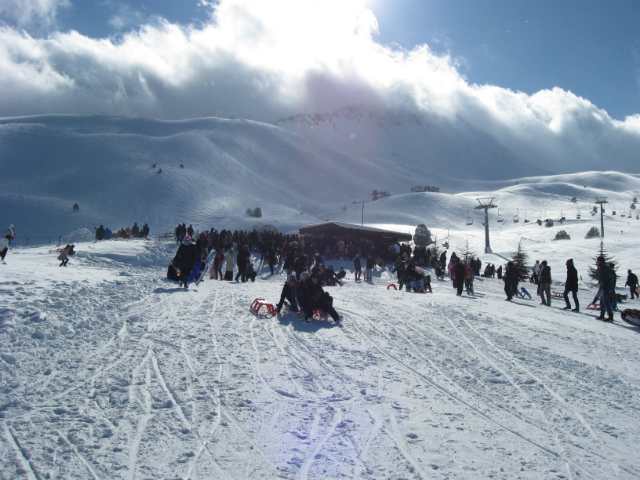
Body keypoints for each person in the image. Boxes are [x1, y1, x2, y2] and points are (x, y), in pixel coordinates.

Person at [595, 256, 615, 322]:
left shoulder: (601, 268)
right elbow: (612, 277)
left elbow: (602, 279)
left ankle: (610, 316)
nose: (596, 262)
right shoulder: (606, 267)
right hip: (608, 286)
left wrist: (604, 287)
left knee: (606, 302)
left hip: (605, 286)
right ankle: (602, 315)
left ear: (600, 261)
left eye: (597, 261)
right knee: (602, 301)